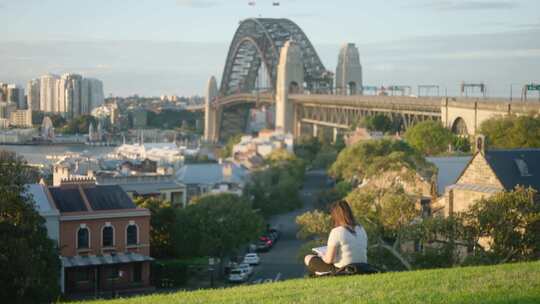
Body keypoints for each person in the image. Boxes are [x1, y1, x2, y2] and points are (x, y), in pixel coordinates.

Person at [304, 200, 368, 275]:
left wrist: (322, 256)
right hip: (363, 267)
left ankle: (320, 275)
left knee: (308, 258)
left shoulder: (336, 231)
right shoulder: (361, 229)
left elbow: (329, 260)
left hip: (343, 269)